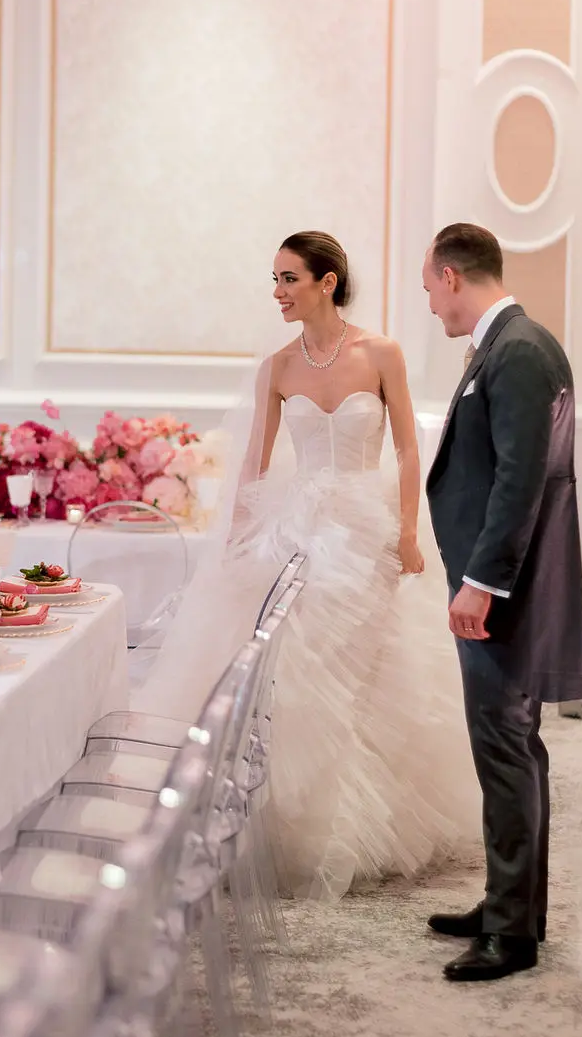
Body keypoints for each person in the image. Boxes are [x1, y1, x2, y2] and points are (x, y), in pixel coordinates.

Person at [135, 230, 481, 900]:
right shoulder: (278, 367)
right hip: (294, 528)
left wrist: (409, 532)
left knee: (364, 673)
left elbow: (410, 450)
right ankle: (292, 825)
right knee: (289, 668)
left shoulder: (380, 353)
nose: (277, 292)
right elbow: (253, 465)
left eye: (288, 278)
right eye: (274, 278)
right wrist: (236, 538)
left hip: (366, 528)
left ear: (327, 281)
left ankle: (358, 820)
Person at [422, 223, 582, 982]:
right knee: (514, 750)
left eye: (430, 287)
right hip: (502, 583)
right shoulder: (514, 343)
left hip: (503, 591)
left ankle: (511, 932)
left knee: (505, 749)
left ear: (453, 276)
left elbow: (521, 478)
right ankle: (507, 904)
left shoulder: (516, 350)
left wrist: (481, 581)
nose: (431, 304)